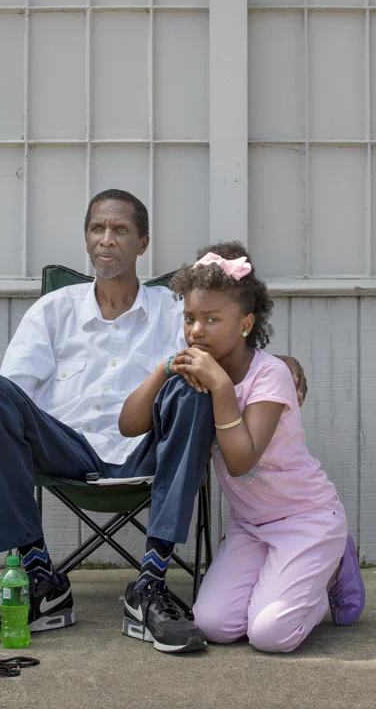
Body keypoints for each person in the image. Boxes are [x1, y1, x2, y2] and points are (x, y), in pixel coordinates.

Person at [0, 190, 307, 655]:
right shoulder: (53, 310)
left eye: (120, 230)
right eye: (97, 229)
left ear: (143, 243)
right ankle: (41, 579)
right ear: (86, 238)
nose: (107, 240)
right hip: (66, 450)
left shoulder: (177, 312)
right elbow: (10, 394)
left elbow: (229, 351)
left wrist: (274, 361)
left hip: (148, 451)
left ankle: (150, 583)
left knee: (191, 388)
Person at [119, 242, 365, 654]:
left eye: (212, 320)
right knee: (213, 625)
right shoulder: (194, 371)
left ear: (245, 324)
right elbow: (129, 424)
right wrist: (165, 369)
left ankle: (333, 562)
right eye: (190, 319)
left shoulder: (270, 376)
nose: (197, 331)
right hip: (250, 527)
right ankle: (287, 582)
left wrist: (219, 386)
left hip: (305, 518)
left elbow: (241, 462)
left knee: (270, 635)